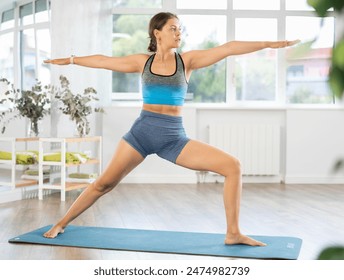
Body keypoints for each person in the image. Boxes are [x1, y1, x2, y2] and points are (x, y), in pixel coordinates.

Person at [43, 12, 299, 246]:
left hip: (172, 138)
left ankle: (233, 233)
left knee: (233, 166)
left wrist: (269, 44)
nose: (179, 34)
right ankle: (61, 223)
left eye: (180, 29)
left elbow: (229, 48)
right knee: (103, 184)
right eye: (174, 29)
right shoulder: (141, 62)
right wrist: (72, 59)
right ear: (158, 32)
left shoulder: (187, 61)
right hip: (141, 134)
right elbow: (103, 61)